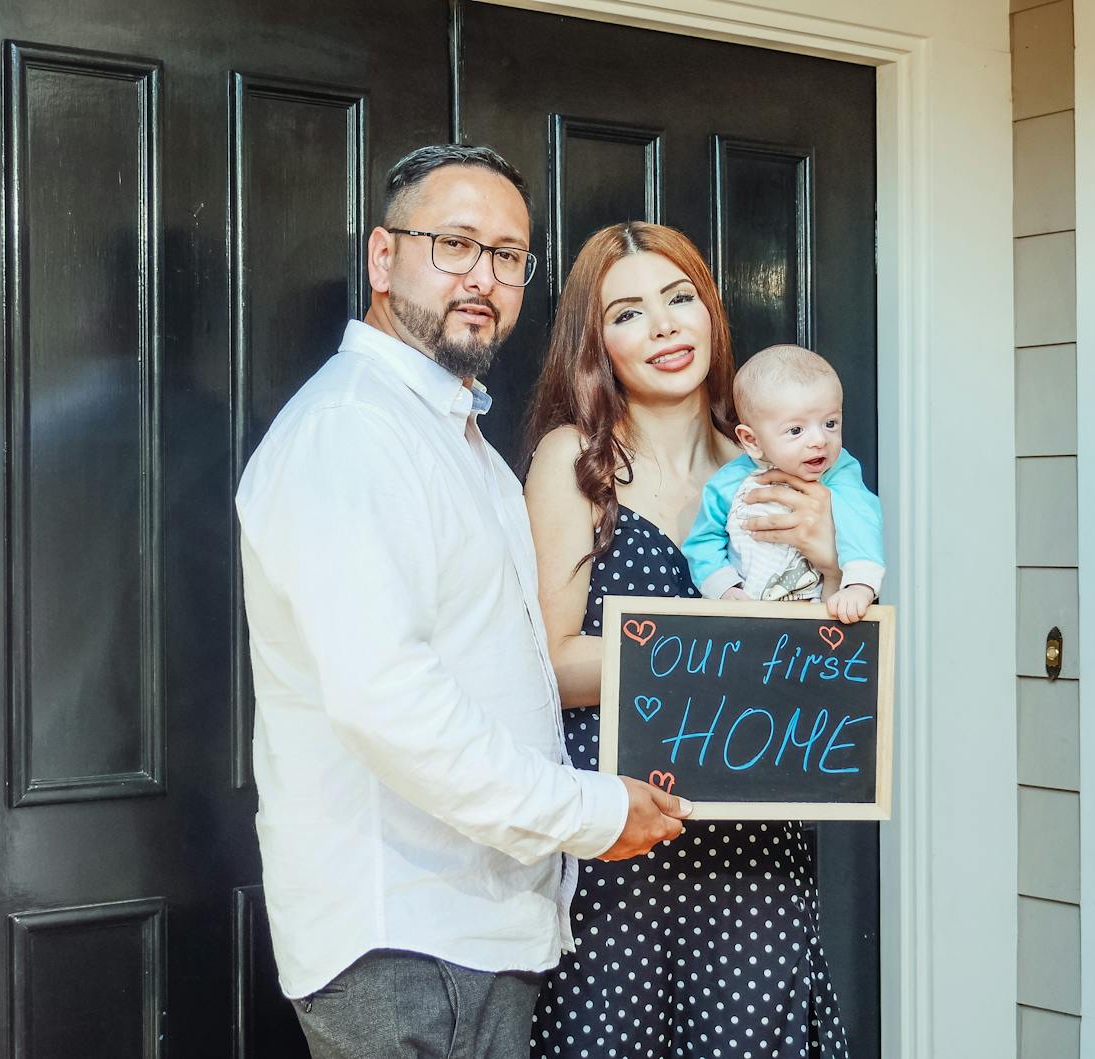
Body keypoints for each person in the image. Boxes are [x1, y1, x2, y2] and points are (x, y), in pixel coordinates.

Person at [236, 145, 691, 1059]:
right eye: (455, 243)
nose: (484, 276)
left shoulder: (459, 442)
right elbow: (387, 700)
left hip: (470, 932)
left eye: (510, 255)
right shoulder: (350, 433)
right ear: (382, 257)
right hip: (402, 938)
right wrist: (591, 815)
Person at [521, 221, 854, 1057]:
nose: (665, 326)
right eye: (628, 312)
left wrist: (825, 567)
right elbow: (550, 664)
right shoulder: (573, 461)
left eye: (679, 299)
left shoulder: (780, 464)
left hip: (753, 846)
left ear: (710, 313)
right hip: (615, 841)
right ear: (596, 343)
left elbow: (825, 679)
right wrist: (709, 650)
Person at [681, 343, 886, 623]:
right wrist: (725, 588)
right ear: (751, 440)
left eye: (830, 423)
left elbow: (862, 520)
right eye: (796, 430)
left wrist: (859, 585)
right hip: (746, 619)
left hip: (817, 621)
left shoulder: (840, 471)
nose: (819, 440)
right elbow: (702, 541)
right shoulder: (729, 483)